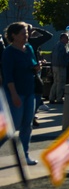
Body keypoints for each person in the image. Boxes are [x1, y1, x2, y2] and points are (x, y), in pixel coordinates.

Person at [2, 22, 41, 164]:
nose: (27, 36)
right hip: (15, 92)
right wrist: (13, 95)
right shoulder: (9, 52)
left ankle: (24, 156)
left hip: (30, 90)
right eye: (23, 33)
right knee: (13, 125)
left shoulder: (29, 48)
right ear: (14, 35)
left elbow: (31, 66)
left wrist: (36, 68)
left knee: (27, 125)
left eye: (27, 33)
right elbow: (8, 76)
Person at [49, 32, 69, 103]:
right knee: (61, 82)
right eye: (67, 38)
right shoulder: (62, 47)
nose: (68, 40)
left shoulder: (56, 46)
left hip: (54, 66)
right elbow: (60, 57)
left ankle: (51, 97)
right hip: (60, 66)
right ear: (62, 38)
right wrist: (65, 63)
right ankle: (59, 98)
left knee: (55, 82)